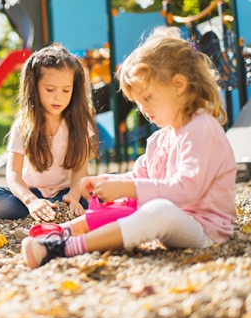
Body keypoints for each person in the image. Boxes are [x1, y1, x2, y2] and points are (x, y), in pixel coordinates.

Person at [21, 27, 238, 269]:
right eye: (138, 102)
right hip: (171, 219)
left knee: (156, 208)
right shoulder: (160, 138)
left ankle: (67, 247)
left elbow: (186, 190)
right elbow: (140, 177)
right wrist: (105, 181)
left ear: (179, 85)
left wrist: (128, 187)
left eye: (148, 97)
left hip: (204, 229)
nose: (143, 109)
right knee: (123, 200)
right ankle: (63, 231)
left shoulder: (201, 129)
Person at [0, 45, 97, 221]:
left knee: (111, 188)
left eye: (66, 90)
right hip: (31, 193)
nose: (59, 97)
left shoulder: (79, 123)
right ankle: (43, 208)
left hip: (67, 194)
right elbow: (13, 174)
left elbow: (80, 169)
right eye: (50, 89)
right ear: (34, 87)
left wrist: (74, 195)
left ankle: (57, 207)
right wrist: (31, 201)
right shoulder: (23, 125)